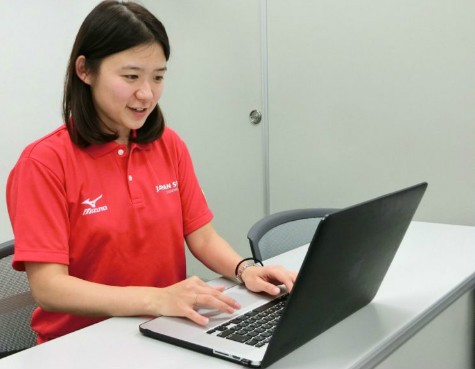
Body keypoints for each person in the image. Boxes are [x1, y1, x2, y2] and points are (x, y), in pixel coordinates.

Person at [6, 1, 296, 344]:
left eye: (158, 77)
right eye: (131, 76)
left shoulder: (168, 145)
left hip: (163, 329)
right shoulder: (45, 163)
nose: (146, 94)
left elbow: (201, 236)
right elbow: (49, 288)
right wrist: (156, 298)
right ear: (85, 70)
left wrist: (245, 270)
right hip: (80, 345)